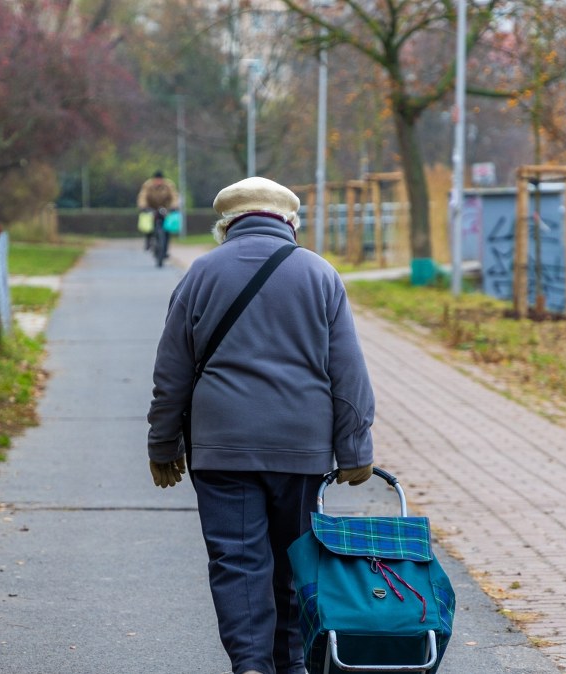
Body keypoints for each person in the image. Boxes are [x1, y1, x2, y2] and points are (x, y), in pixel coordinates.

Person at [147, 176, 375, 674]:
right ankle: (289, 663)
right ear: (290, 223)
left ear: (225, 225)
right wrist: (355, 449)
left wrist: (163, 444)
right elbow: (348, 372)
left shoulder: (200, 273)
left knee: (237, 562)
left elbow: (172, 372)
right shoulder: (320, 274)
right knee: (294, 562)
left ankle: (251, 666)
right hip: (301, 449)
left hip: (221, 447)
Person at [137, 169, 180, 254]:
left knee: (166, 229)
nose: (158, 182)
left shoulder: (169, 185)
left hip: (164, 208)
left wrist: (174, 206)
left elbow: (174, 196)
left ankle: (165, 250)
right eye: (156, 180)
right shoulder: (147, 185)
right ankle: (148, 239)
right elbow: (143, 196)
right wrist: (143, 206)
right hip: (151, 207)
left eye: (160, 180)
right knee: (149, 225)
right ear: (153, 180)